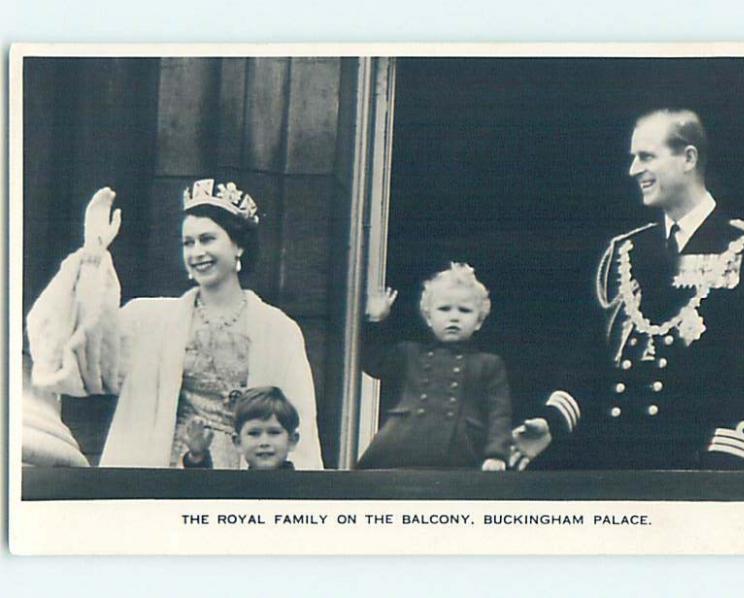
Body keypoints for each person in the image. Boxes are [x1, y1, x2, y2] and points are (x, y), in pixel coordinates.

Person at [511, 109, 744, 471]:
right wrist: (551, 422)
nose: (634, 170)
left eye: (646, 157)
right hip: (617, 462)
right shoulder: (626, 252)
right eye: (633, 158)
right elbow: (592, 357)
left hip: (698, 466)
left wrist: (724, 470)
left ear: (688, 158)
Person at [26, 179, 323, 469]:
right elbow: (85, 348)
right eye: (188, 243)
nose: (197, 253)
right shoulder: (149, 320)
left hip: (244, 476)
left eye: (207, 239)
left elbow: (300, 426)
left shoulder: (278, 330)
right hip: (168, 469)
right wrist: (92, 257)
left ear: (238, 246)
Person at [357, 263, 512, 470]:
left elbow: (498, 413)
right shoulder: (409, 353)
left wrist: (496, 454)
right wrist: (376, 320)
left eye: (464, 310)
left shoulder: (488, 364)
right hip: (402, 444)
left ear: (479, 322)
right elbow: (374, 363)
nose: (454, 317)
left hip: (461, 450)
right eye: (444, 309)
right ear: (429, 318)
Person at [183, 386, 300, 470]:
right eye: (254, 433)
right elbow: (205, 494)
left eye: (274, 432)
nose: (264, 443)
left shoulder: (303, 489)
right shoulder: (234, 487)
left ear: (292, 440)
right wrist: (197, 457)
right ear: (238, 442)